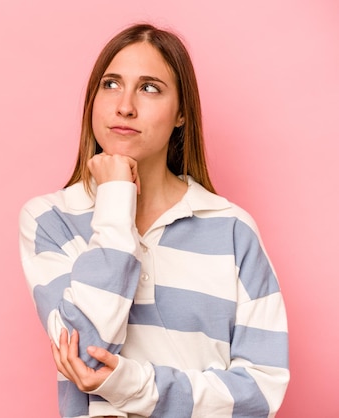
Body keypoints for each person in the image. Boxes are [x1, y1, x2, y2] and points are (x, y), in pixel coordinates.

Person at [18, 23, 289, 418]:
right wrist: (115, 200)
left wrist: (134, 384)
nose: (124, 106)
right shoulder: (50, 220)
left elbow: (262, 390)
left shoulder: (232, 228)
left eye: (149, 88)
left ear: (181, 113)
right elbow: (84, 358)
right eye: (110, 84)